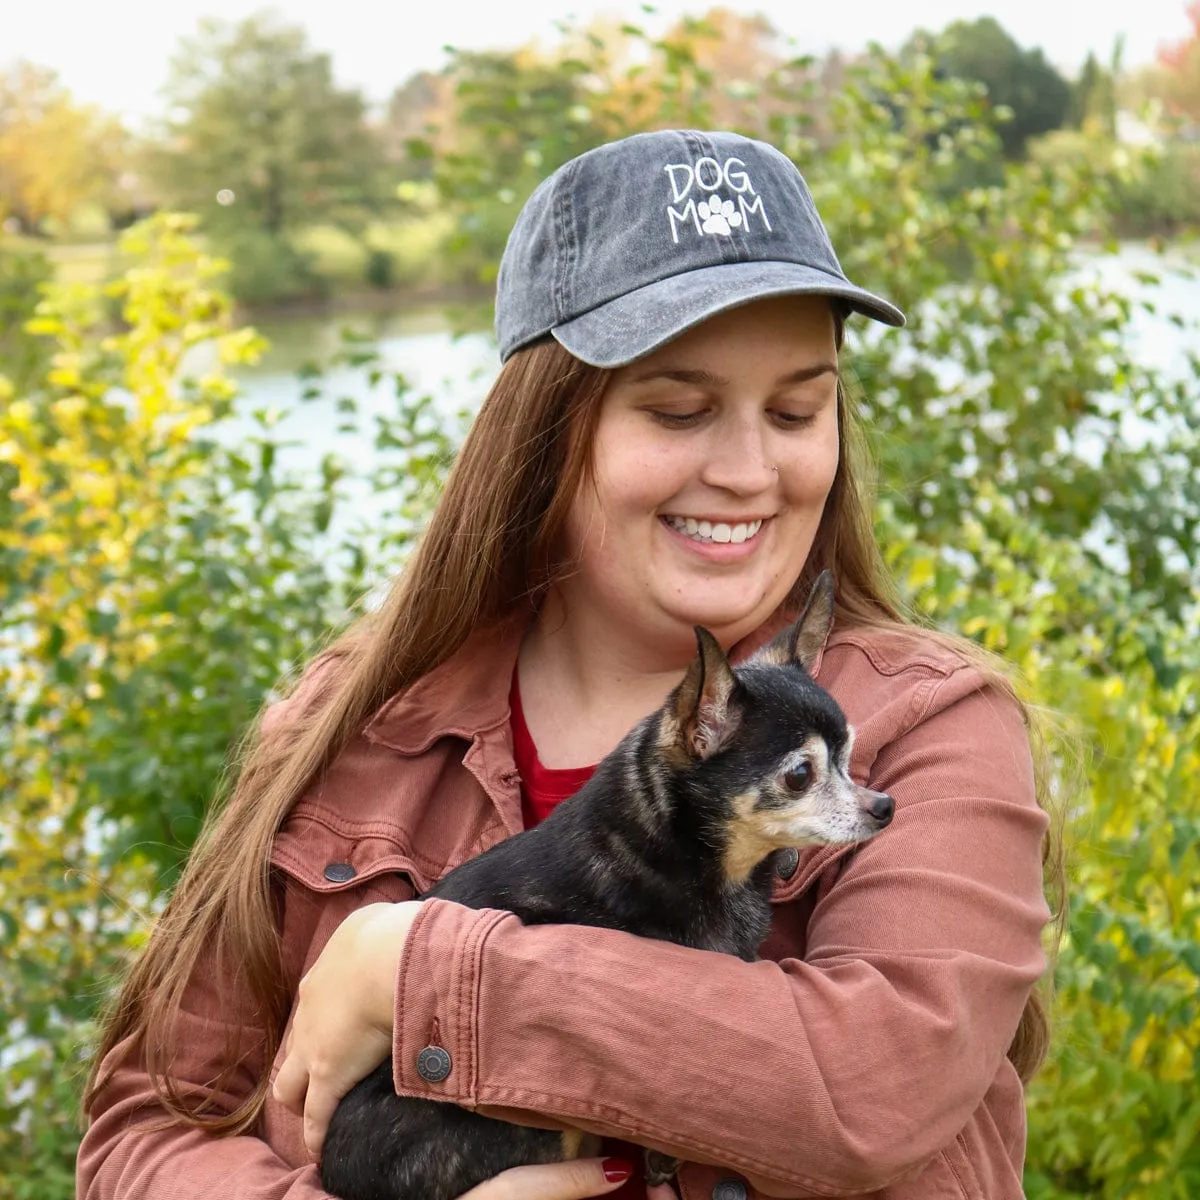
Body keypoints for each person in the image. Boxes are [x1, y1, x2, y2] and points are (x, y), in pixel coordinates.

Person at [78, 130, 1057, 1200]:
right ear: (545, 434)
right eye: (677, 410)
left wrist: (422, 972)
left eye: (796, 409)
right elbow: (143, 1138)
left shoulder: (927, 728)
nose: (748, 470)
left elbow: (875, 1083)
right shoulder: (351, 728)